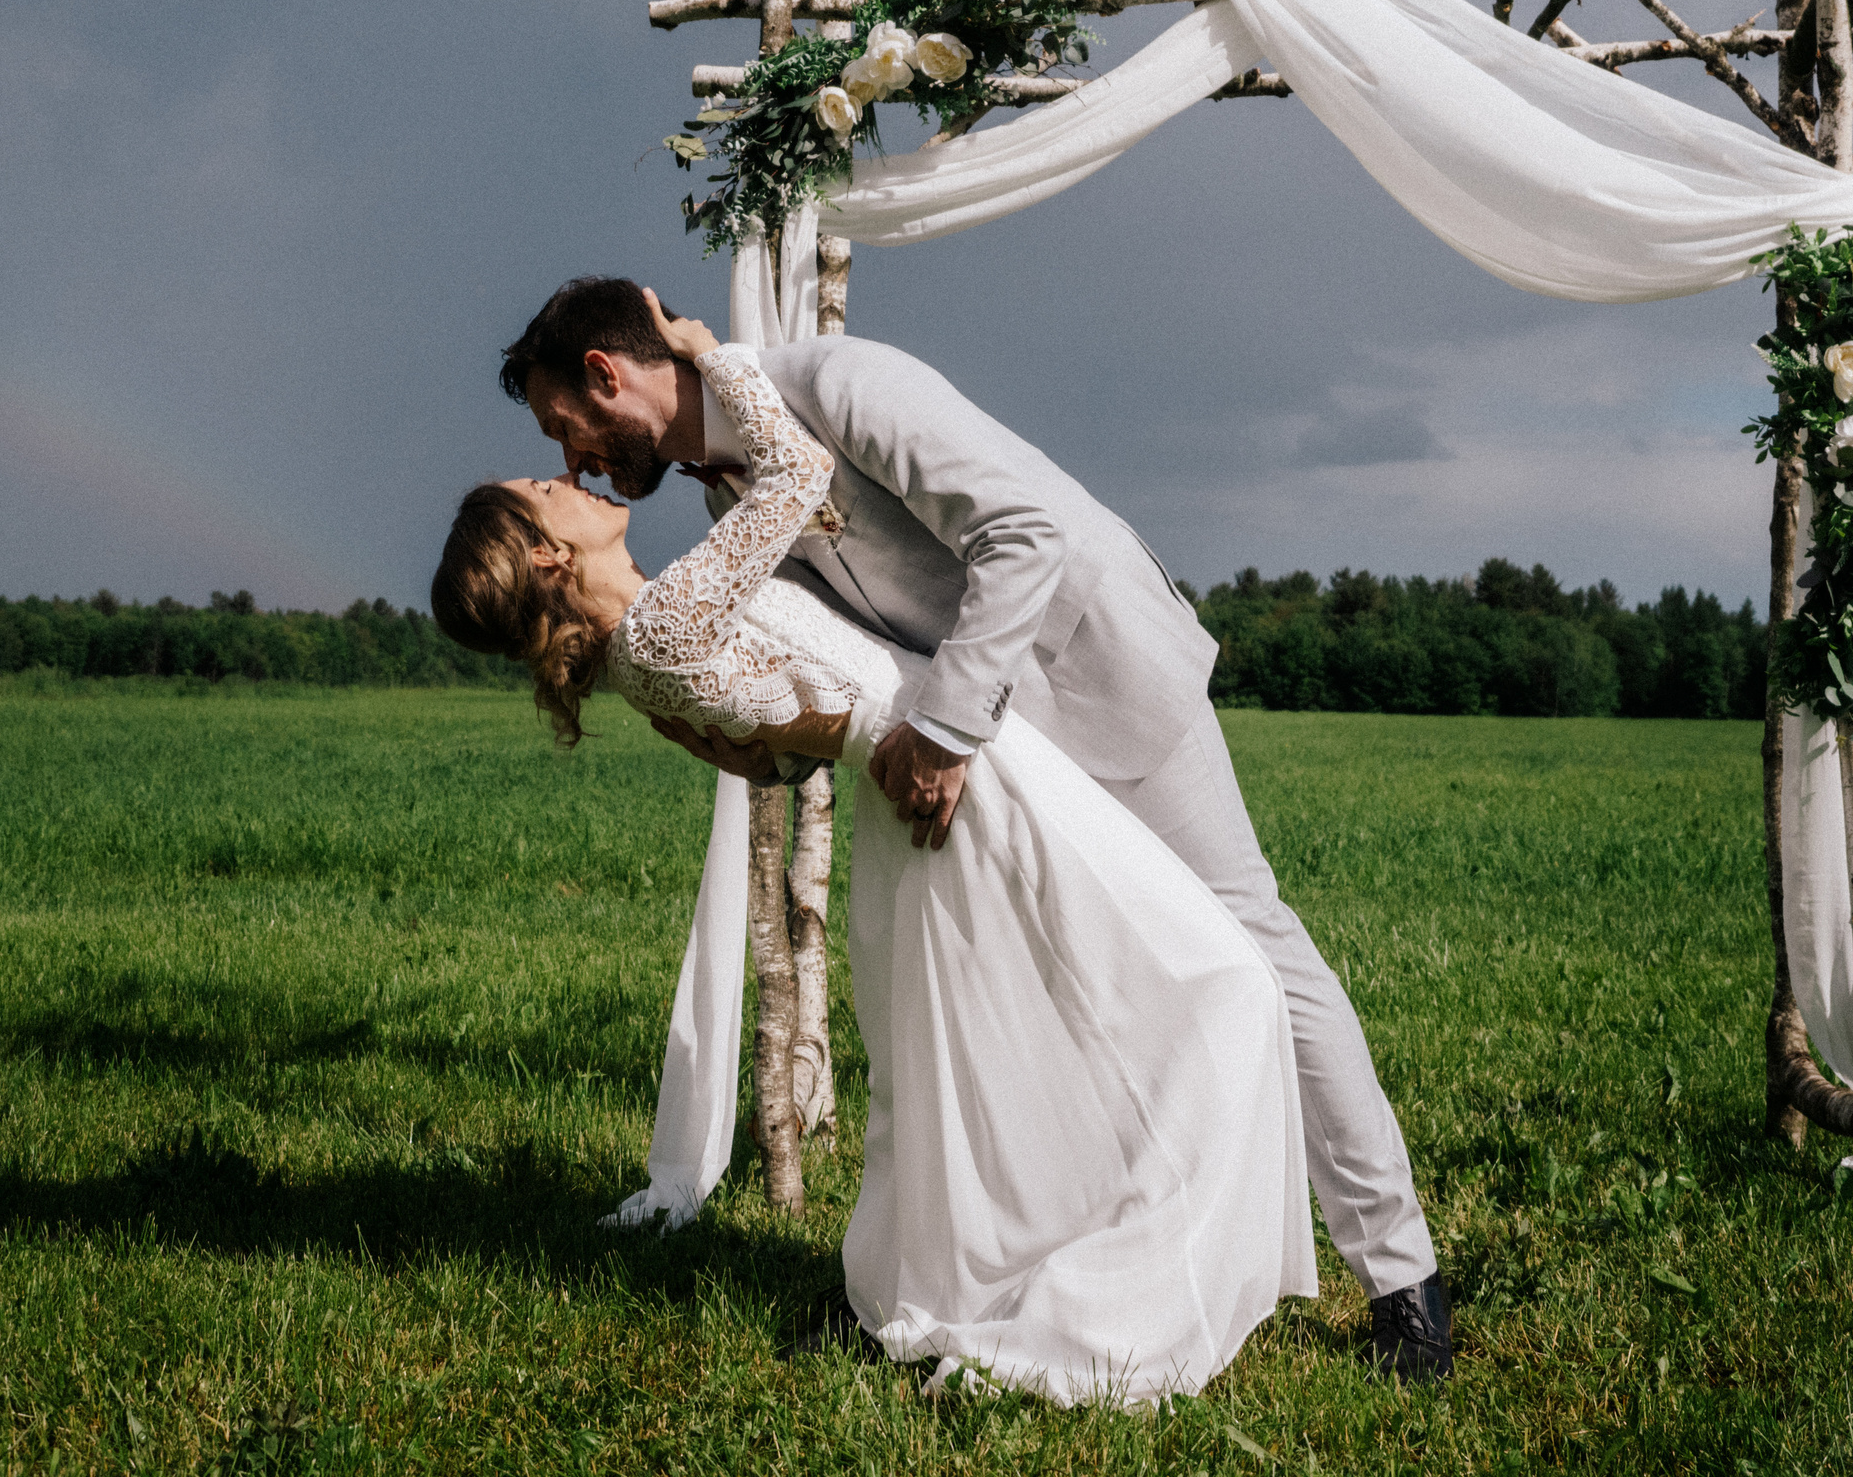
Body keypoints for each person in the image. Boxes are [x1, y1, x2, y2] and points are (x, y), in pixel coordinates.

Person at [497, 275, 1454, 1384]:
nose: (578, 467)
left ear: (607, 377)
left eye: (569, 432)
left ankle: (1403, 1285)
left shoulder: (843, 386)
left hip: (1105, 686)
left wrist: (948, 735)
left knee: (1256, 958)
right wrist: (759, 741)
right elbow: (845, 663)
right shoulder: (723, 501)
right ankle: (1038, 1267)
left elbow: (1023, 530)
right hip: (1007, 773)